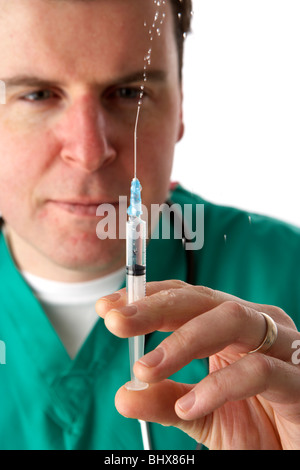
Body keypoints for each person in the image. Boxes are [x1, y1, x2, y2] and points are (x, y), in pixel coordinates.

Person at [0, 0, 299, 451]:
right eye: (37, 94)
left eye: (129, 94)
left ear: (180, 106)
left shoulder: (284, 271)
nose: (89, 150)